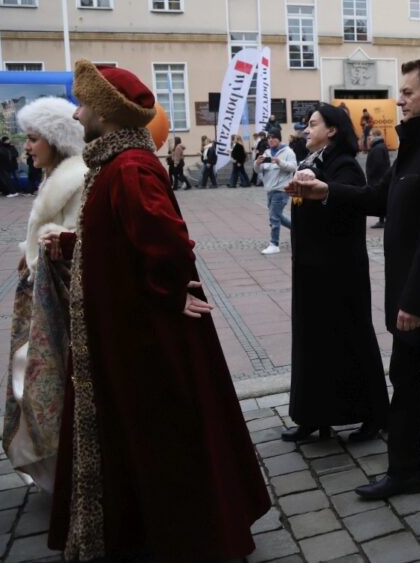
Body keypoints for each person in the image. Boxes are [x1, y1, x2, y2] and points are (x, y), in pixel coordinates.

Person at [42, 60, 269, 560]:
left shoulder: (129, 167)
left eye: (83, 105)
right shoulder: (115, 164)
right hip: (131, 327)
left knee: (166, 433)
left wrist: (169, 292)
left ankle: (186, 532)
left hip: (145, 333)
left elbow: (166, 241)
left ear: (105, 112)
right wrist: (78, 243)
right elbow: (123, 239)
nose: (77, 116)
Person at [289, 59, 420, 504]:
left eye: (408, 93)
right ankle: (405, 472)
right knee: (405, 384)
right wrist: (326, 191)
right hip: (407, 297)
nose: (399, 99)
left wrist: (415, 302)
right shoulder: (411, 148)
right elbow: (380, 198)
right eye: (399, 91)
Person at [282, 104, 389, 444]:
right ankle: (313, 416)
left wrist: (321, 190)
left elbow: (355, 204)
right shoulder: (308, 162)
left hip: (340, 275)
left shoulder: (343, 166)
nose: (306, 129)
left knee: (352, 341)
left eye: (313, 124)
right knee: (311, 344)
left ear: (332, 130)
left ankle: (373, 415)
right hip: (311, 272)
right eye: (306, 124)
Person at [3, 97, 88, 492]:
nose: (27, 146)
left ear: (56, 139)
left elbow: (80, 244)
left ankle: (69, 473)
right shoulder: (55, 177)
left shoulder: (77, 178)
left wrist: (46, 250)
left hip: (64, 306)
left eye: (34, 138)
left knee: (53, 385)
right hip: (45, 297)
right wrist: (31, 252)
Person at [258, 129, 297, 255]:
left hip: (281, 189)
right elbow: (259, 169)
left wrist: (280, 162)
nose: (270, 140)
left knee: (274, 217)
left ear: (279, 139)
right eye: (269, 138)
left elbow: (293, 167)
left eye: (273, 137)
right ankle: (298, 229)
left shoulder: (288, 151)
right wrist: (257, 163)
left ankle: (274, 244)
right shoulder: (266, 152)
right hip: (270, 189)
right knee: (277, 216)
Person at [365, 128, 390, 229]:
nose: (369, 137)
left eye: (370, 135)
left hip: (378, 178)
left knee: (381, 199)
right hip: (380, 177)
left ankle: (382, 220)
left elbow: (378, 164)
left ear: (375, 136)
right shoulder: (379, 146)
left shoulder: (377, 148)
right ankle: (383, 219)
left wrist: (371, 174)